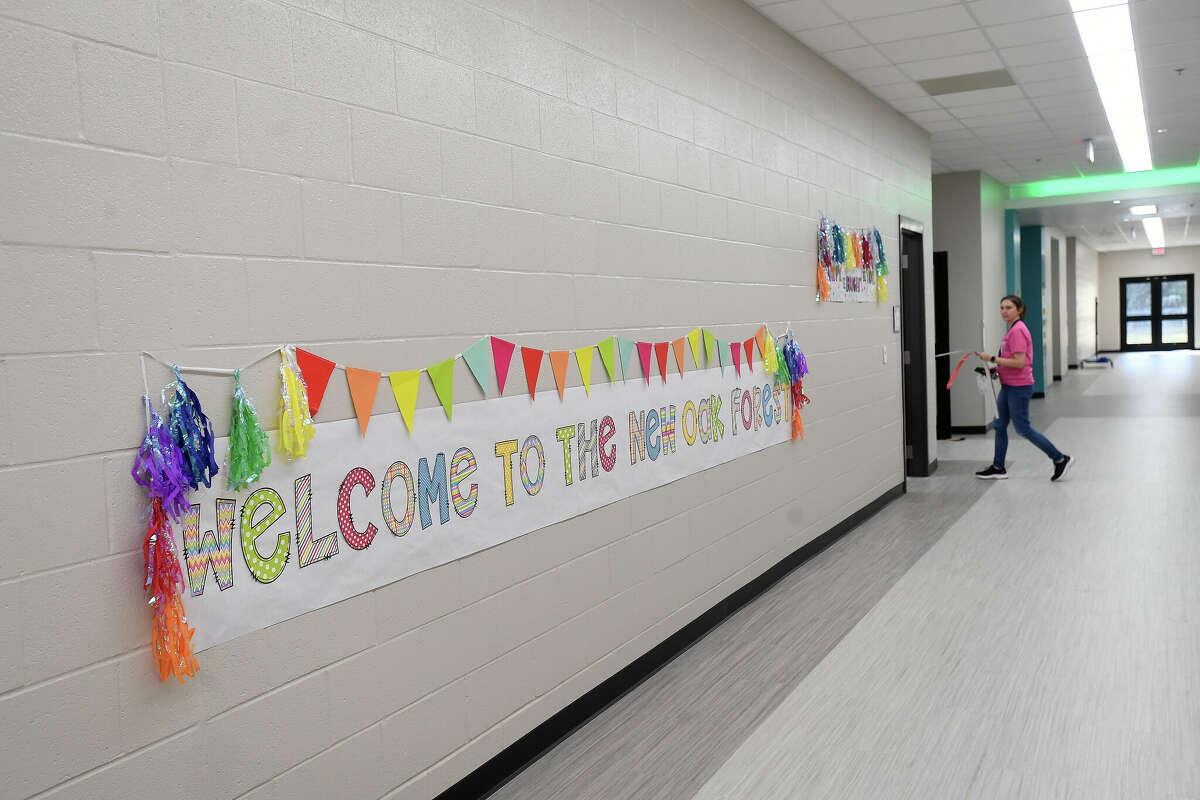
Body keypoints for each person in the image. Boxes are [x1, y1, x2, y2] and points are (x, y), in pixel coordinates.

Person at [974, 295, 1072, 481]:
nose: (1004, 311)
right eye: (1002, 307)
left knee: (1022, 428)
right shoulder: (1012, 330)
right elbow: (1012, 360)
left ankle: (1060, 459)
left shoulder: (1018, 330)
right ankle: (998, 467)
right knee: (1000, 425)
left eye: (1009, 307)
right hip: (1008, 385)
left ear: (1019, 310)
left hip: (1019, 387)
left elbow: (1020, 363)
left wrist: (992, 359)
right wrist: (995, 369)